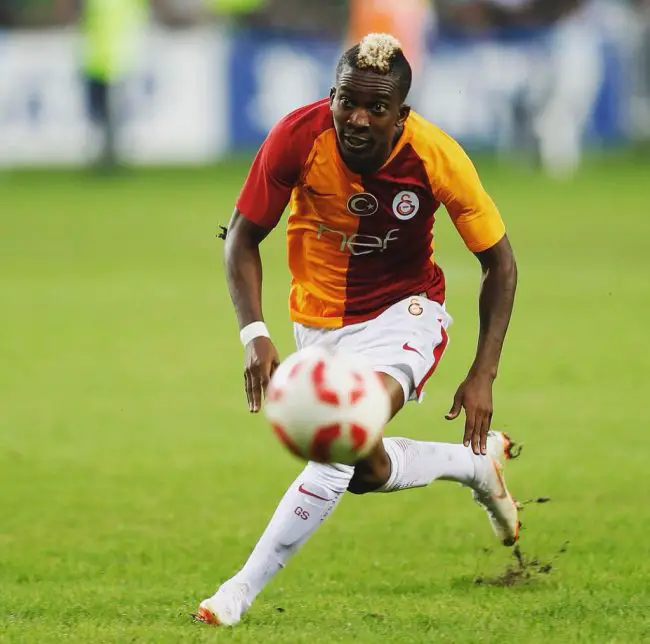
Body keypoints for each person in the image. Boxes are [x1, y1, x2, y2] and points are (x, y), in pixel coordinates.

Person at [196, 33, 519, 627]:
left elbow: (499, 263)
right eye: (348, 102)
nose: (359, 119)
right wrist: (254, 332)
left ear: (402, 113)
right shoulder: (298, 137)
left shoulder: (436, 157)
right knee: (366, 473)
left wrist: (483, 372)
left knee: (337, 442)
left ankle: (237, 592)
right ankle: (474, 465)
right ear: (332, 96)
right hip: (317, 326)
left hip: (405, 315)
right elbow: (241, 236)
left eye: (377, 107)